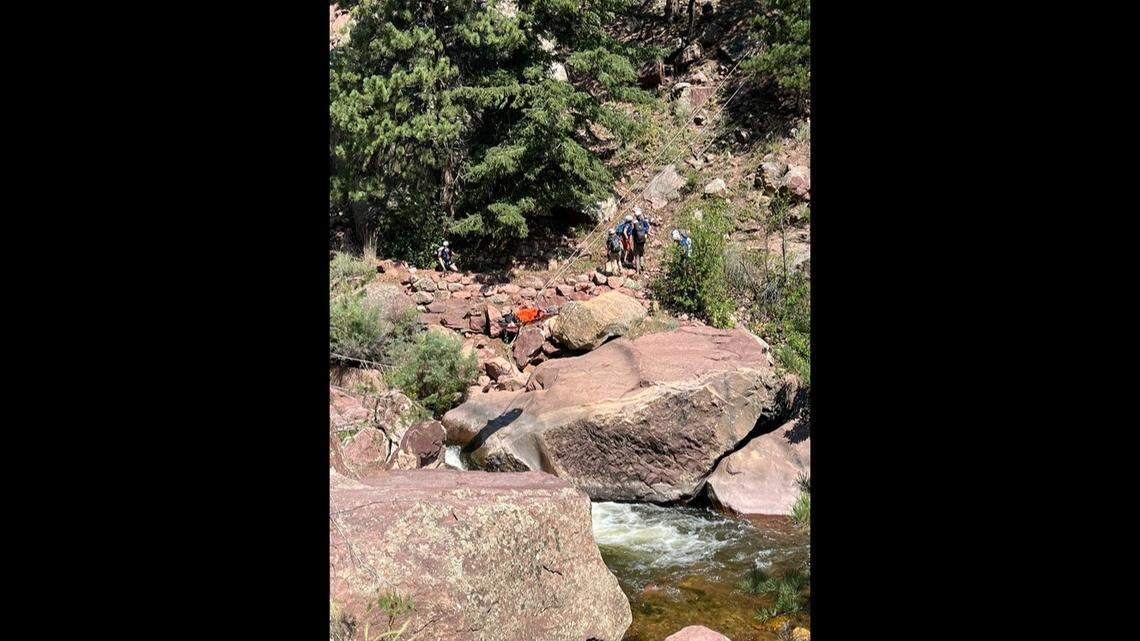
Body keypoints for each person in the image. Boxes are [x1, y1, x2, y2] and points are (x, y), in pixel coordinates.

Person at [632, 208, 650, 273]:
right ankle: (642, 266)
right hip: (643, 240)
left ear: (636, 216)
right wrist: (645, 234)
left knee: (636, 256)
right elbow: (647, 228)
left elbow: (633, 233)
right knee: (641, 254)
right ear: (641, 214)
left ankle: (637, 270)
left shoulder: (635, 224)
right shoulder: (644, 221)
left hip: (636, 241)